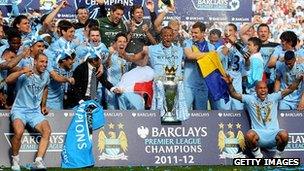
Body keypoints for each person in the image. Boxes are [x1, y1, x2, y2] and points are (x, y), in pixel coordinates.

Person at [223, 75, 302, 158]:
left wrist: (298, 79)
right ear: (256, 90)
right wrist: (229, 84)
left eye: (265, 88)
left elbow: (290, 89)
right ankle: (258, 156)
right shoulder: (250, 99)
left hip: (273, 134)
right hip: (259, 135)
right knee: (249, 135)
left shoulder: (274, 97)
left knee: (284, 135)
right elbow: (233, 94)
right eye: (260, 88)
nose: (263, 90)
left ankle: (278, 156)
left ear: (267, 89)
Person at [119, 26, 189, 121]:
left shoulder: (180, 50)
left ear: (173, 36)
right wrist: (124, 54)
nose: (167, 38)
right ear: (161, 37)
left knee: (176, 116)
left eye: (170, 35)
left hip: (176, 87)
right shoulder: (151, 49)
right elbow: (135, 58)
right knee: (160, 116)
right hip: (159, 86)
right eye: (165, 35)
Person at [6, 53, 51, 170]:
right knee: (19, 132)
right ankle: (15, 161)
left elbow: (45, 87)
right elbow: (8, 80)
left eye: (46, 62)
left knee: (47, 131)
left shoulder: (46, 75)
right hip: (19, 110)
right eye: (42, 61)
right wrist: (21, 72)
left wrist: (43, 104)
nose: (44, 64)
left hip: (35, 112)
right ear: (35, 62)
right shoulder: (25, 72)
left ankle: (38, 161)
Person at [183, 22, 215, 110]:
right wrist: (208, 55)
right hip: (188, 84)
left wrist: (198, 54)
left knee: (201, 113)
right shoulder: (187, 43)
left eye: (196, 33)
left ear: (203, 33)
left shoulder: (211, 46)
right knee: (184, 111)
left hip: (203, 84)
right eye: (192, 32)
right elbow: (189, 55)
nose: (193, 35)